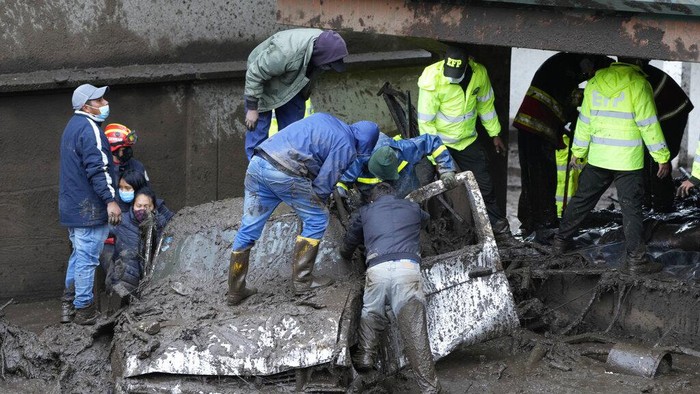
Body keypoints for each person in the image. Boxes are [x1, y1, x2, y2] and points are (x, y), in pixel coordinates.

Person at [228, 113, 380, 305]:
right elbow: (323, 187)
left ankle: (235, 290)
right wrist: (317, 204)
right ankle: (302, 281)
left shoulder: (326, 119)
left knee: (249, 227)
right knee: (317, 217)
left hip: (259, 163)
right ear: (365, 143)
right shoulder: (347, 144)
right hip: (285, 172)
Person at [551, 61, 671, 275]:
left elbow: (585, 121)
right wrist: (662, 156)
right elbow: (648, 123)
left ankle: (560, 243)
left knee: (582, 200)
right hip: (628, 161)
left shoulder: (595, 82)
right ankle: (636, 260)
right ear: (637, 61)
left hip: (599, 157)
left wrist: (578, 152)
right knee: (631, 209)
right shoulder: (639, 84)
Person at [340, 183, 441, 394]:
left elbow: (349, 242)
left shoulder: (366, 211)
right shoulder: (412, 207)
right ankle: (430, 388)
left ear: (372, 199)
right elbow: (426, 219)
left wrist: (346, 255)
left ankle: (366, 355)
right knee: (415, 331)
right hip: (407, 268)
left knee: (371, 311)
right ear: (395, 195)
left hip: (377, 268)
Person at [417, 46, 516, 246]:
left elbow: (485, 106)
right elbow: (426, 124)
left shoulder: (479, 74)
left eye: (457, 74)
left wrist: (494, 133)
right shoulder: (432, 79)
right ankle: (427, 236)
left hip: (467, 141)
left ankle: (500, 232)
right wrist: (438, 158)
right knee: (428, 186)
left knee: (484, 187)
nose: (452, 78)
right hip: (440, 143)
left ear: (467, 64)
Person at [513, 53, 613, 236]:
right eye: (592, 73)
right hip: (538, 128)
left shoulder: (562, 64)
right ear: (588, 63)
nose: (589, 77)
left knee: (532, 176)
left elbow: (562, 103)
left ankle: (531, 220)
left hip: (531, 126)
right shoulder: (565, 69)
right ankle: (544, 222)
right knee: (543, 176)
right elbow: (570, 99)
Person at [59, 84, 121, 325]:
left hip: (74, 207)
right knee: (87, 259)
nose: (104, 103)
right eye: (99, 100)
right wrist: (110, 201)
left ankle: (69, 305)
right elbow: (99, 169)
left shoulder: (72, 127)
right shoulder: (90, 129)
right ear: (87, 107)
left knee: (79, 255)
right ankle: (84, 310)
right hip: (89, 208)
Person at [243, 29, 348, 159]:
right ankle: (257, 172)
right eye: (328, 65)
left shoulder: (324, 45)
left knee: (294, 136)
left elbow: (311, 74)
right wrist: (252, 107)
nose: (328, 68)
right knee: (257, 134)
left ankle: (286, 171)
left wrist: (302, 96)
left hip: (292, 83)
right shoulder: (285, 52)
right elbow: (255, 73)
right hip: (263, 84)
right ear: (321, 56)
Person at [618, 58, 694, 212]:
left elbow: (648, 123)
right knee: (646, 160)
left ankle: (662, 206)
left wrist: (662, 158)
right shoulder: (625, 75)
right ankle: (649, 203)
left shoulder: (637, 78)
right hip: (660, 113)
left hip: (673, 113)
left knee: (658, 164)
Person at [337, 133, 457, 201]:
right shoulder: (356, 161)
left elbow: (433, 142)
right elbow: (341, 180)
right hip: (374, 204)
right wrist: (340, 191)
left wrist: (446, 170)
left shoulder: (404, 149)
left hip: (409, 196)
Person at [110, 187, 174, 296]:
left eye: (147, 206)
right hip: (125, 280)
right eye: (138, 206)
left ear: (154, 207)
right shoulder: (122, 221)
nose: (142, 210)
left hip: (152, 280)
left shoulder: (162, 223)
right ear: (133, 205)